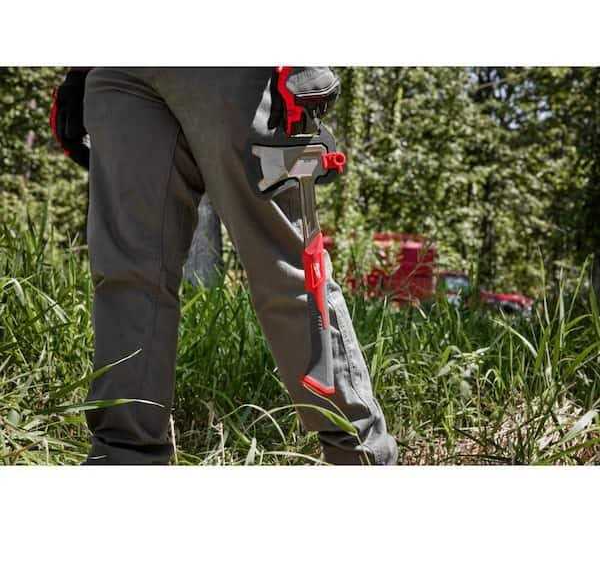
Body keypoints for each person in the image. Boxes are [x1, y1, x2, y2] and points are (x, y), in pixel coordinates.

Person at [50, 67, 398, 465]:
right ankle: (123, 457)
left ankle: (359, 455)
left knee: (284, 269)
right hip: (122, 72)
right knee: (126, 277)